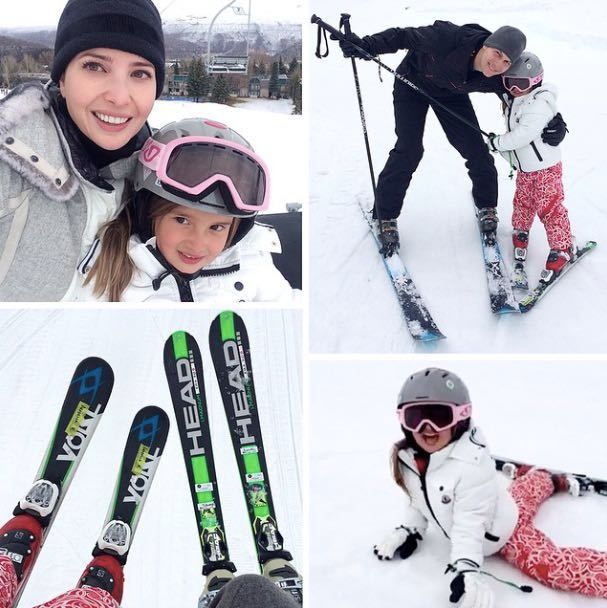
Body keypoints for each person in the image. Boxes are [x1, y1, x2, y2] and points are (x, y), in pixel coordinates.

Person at [373, 367, 607, 604]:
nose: (427, 428)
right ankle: (543, 478)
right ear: (403, 421)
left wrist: (466, 568)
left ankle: (551, 480)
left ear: (461, 417)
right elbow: (417, 496)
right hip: (499, 499)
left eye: (439, 416)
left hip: (505, 533)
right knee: (522, 494)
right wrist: (412, 528)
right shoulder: (408, 459)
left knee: (554, 568)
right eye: (415, 418)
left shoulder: (473, 465)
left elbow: (470, 523)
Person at [339, 21, 568, 256]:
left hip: (451, 94)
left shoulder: (499, 77)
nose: (498, 64)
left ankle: (487, 207)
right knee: (409, 150)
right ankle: (385, 216)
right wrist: (366, 45)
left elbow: (532, 96)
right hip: (412, 84)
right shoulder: (447, 38)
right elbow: (403, 36)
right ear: (487, 44)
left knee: (477, 151)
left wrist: (554, 121)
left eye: (506, 61)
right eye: (497, 53)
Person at [0, 0, 165, 301]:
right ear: (62, 78)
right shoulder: (7, 169)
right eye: (94, 66)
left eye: (140, 73)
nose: (118, 96)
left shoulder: (160, 182)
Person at [74, 118, 297, 302]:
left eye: (217, 227)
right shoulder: (108, 274)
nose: (198, 244)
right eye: (182, 220)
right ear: (147, 212)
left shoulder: (251, 264)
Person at [487, 52, 573, 277]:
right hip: (526, 169)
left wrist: (497, 143)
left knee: (550, 208)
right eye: (510, 83)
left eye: (520, 83)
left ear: (535, 81)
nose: (515, 89)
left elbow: (522, 136)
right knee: (522, 202)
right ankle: (521, 230)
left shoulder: (539, 103)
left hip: (546, 169)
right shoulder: (514, 99)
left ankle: (562, 247)